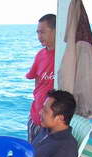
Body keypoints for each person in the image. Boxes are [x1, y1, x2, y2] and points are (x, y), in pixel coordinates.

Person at [26, 14, 56, 142]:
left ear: (56, 31)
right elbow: (36, 79)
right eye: (37, 32)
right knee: (30, 156)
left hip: (52, 121)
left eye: (42, 32)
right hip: (35, 117)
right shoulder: (40, 55)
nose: (39, 36)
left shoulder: (67, 55)